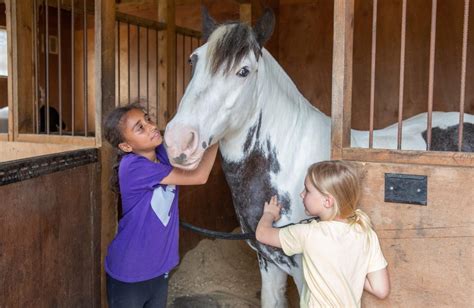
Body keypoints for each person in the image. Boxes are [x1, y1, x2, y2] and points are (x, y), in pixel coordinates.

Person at [103, 103, 219, 308]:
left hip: (159, 268)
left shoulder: (161, 154)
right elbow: (200, 176)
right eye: (140, 128)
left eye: (147, 119)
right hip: (130, 272)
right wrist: (218, 134)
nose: (151, 126)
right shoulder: (133, 166)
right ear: (126, 146)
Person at [256, 160, 390, 307]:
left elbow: (262, 234)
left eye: (307, 190)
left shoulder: (308, 234)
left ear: (327, 201)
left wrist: (269, 214)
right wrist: (351, 270)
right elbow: (381, 290)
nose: (301, 194)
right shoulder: (366, 233)